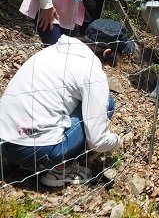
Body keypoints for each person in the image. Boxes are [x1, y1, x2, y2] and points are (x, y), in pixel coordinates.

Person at [0, 21, 127, 187]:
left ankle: (23, 161)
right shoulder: (92, 72)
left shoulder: (51, 51)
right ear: (107, 52)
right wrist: (115, 141)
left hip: (4, 140)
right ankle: (59, 170)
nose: (121, 58)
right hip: (37, 150)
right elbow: (97, 141)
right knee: (107, 103)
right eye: (120, 53)